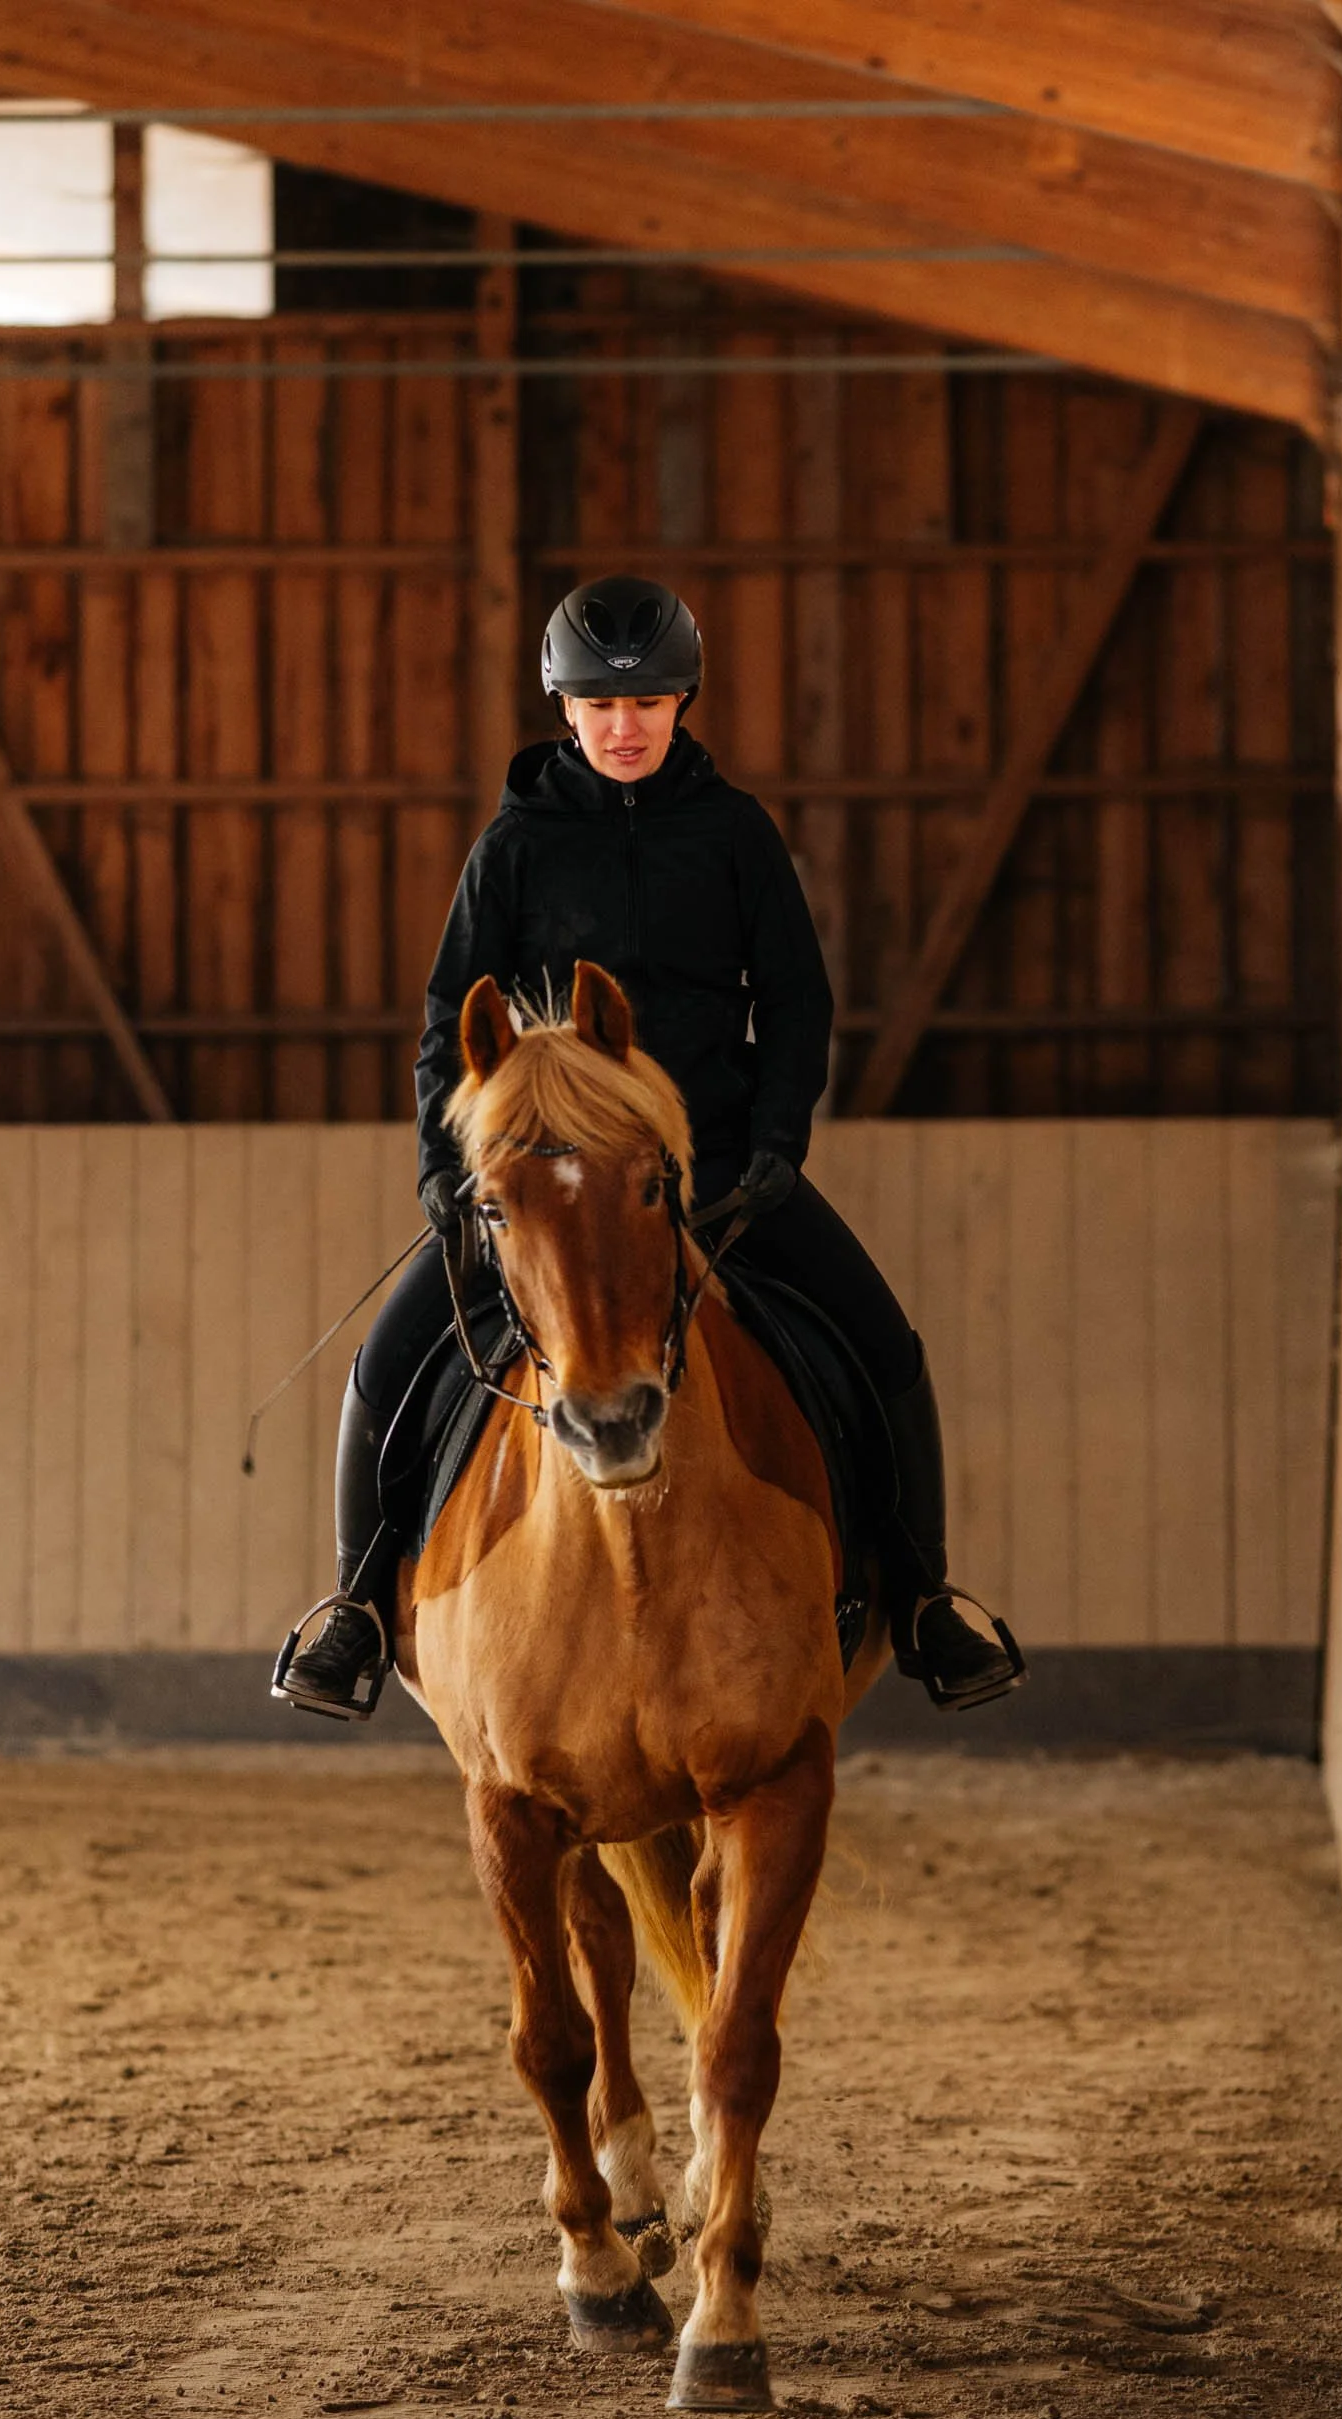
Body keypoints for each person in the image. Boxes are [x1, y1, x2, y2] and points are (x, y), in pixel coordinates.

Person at [276, 575, 1021, 1720]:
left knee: (884, 1348)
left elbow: (796, 1002)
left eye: (650, 704)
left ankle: (921, 1601)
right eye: (599, 707)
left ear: (683, 703)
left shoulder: (732, 836)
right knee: (386, 1362)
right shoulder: (513, 846)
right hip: (551, 1189)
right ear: (562, 709)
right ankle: (357, 1609)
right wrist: (443, 1166)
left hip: (719, 1172)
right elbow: (446, 1021)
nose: (624, 728)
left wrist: (775, 1142)